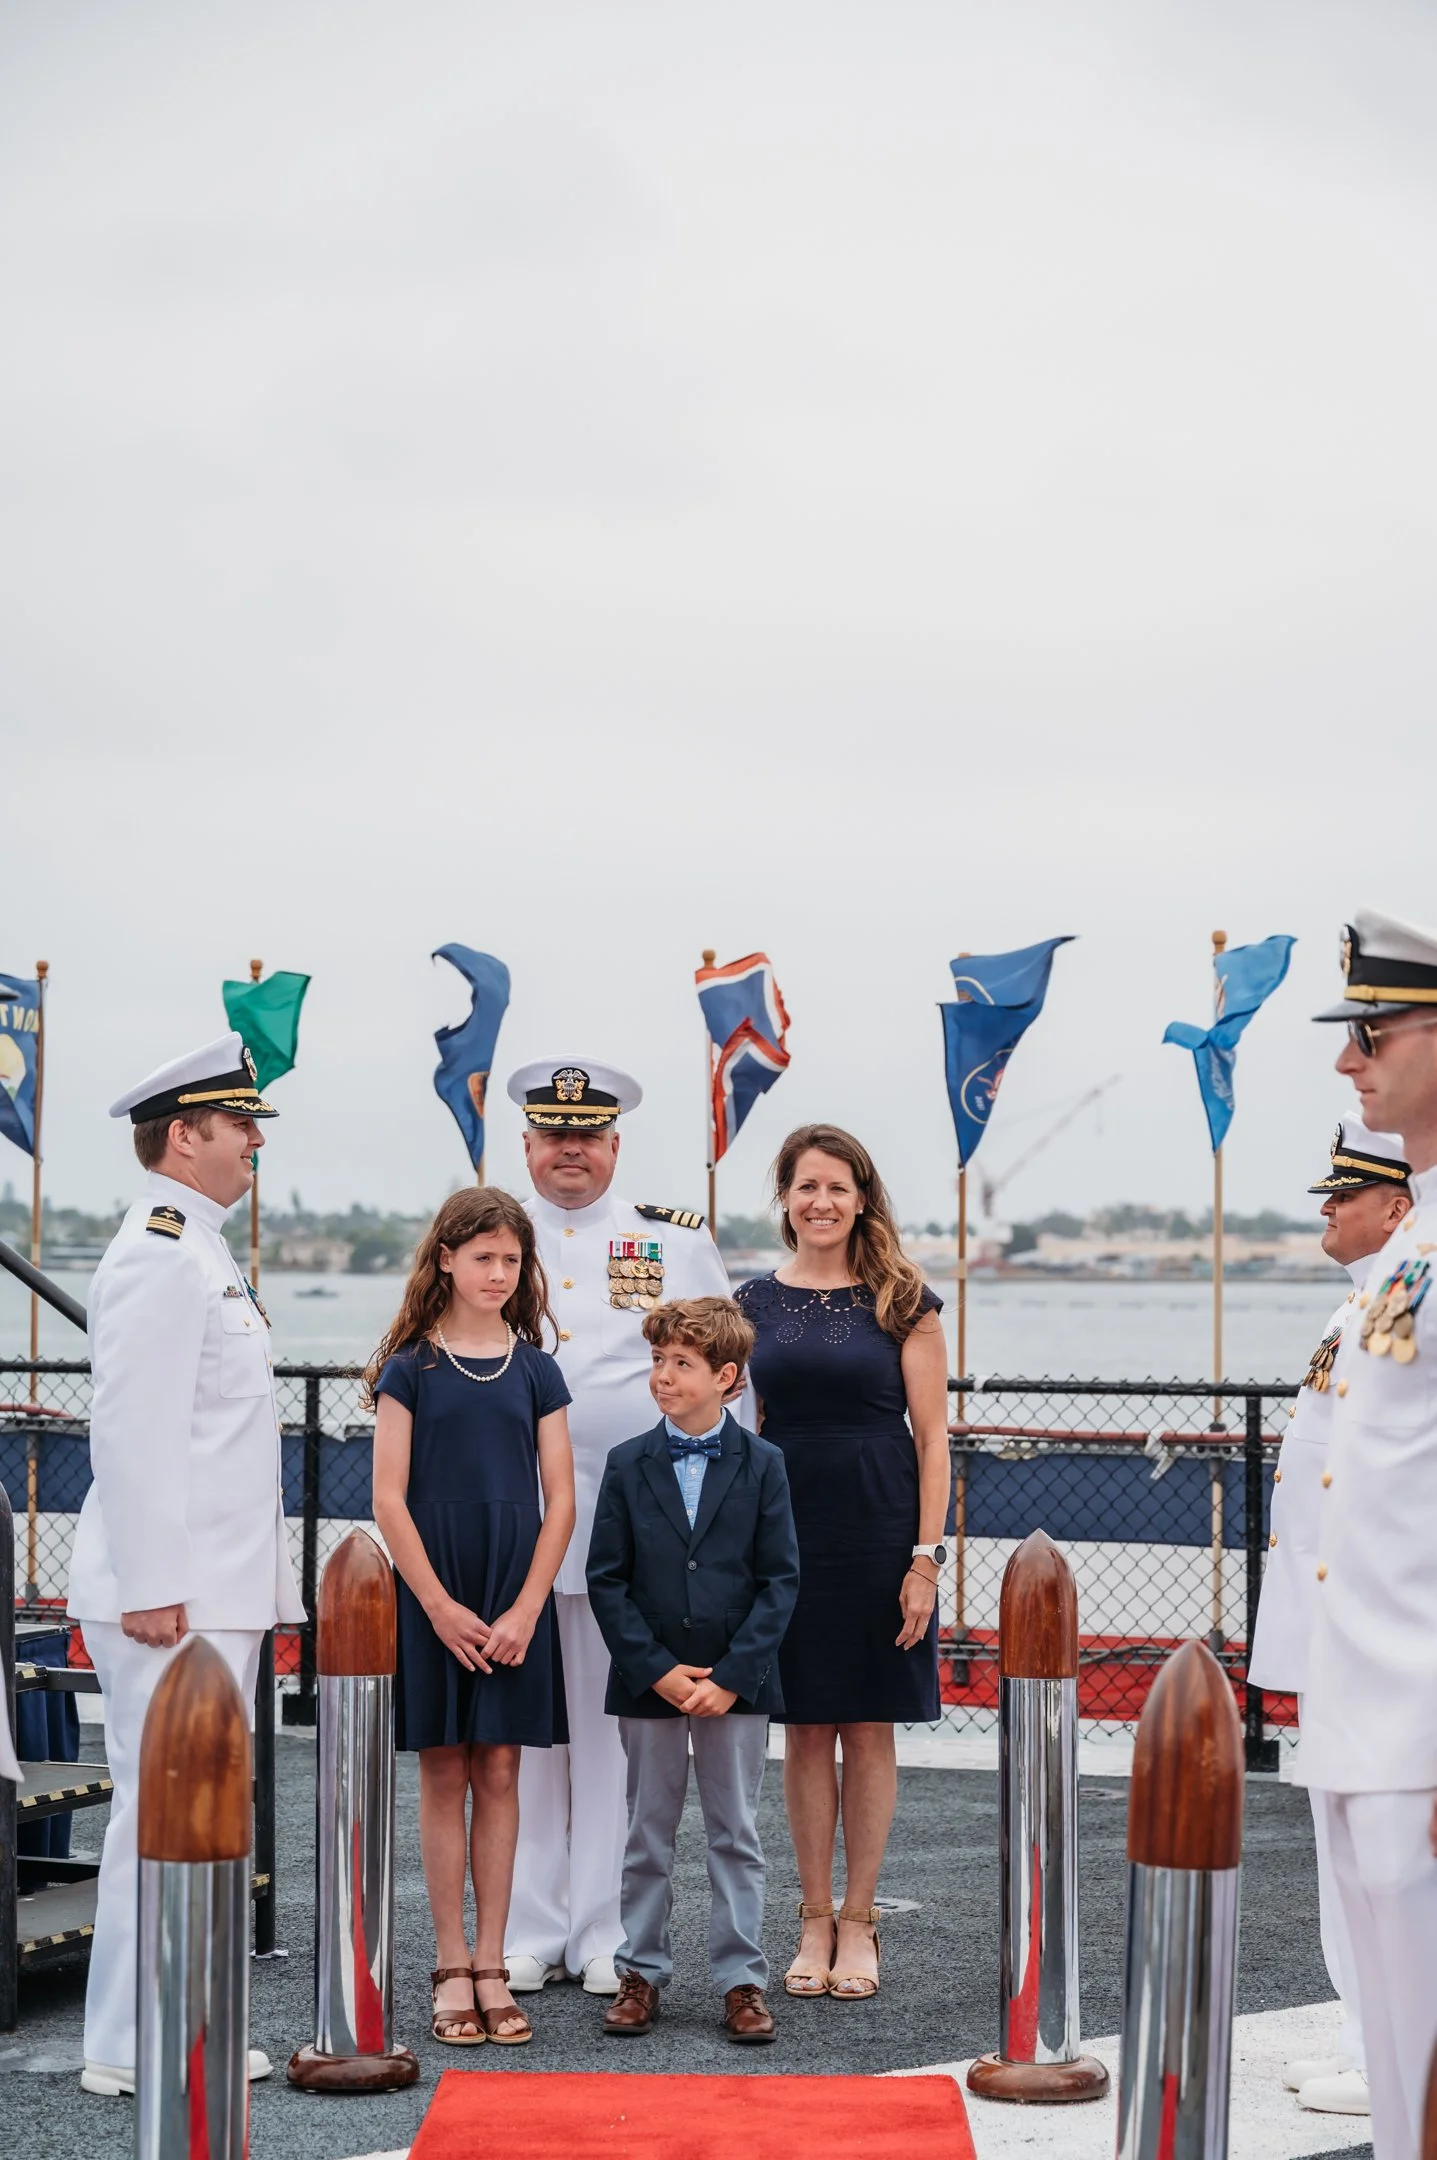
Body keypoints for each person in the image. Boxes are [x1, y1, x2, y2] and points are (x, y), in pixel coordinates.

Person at [67, 1033, 304, 2096]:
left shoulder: (199, 1248)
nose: (255, 1139)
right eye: (238, 1123)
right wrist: (156, 1583)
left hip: (213, 1591)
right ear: (183, 1137)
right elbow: (130, 1432)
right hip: (174, 1599)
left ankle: (181, 2016)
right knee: (160, 1811)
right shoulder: (161, 1253)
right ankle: (129, 2036)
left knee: (199, 1810)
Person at [503, 1059, 745, 1996]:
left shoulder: (670, 1242)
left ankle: (602, 1929)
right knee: (527, 1736)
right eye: (553, 1134)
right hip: (517, 1520)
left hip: (637, 1523)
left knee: (613, 1738)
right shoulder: (492, 1238)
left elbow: (729, 1380)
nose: (570, 1148)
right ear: (527, 1145)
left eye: (587, 1134)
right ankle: (530, 1925)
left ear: (613, 1146)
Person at [733, 1123, 950, 2002]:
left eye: (836, 1186)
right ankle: (811, 1913)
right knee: (803, 1728)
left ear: (863, 1198)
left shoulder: (905, 1301)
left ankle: (858, 1921)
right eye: (805, 1186)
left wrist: (925, 1560)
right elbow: (737, 1427)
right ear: (784, 1198)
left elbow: (934, 1441)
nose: (820, 1202)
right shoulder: (749, 1302)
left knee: (866, 1725)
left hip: (878, 1525)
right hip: (784, 1531)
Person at [368, 1188, 575, 2046]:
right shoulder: (410, 1366)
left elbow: (560, 1499)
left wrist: (526, 1608)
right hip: (436, 1590)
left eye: (511, 1259)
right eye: (482, 1256)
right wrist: (438, 1606)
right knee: (444, 1771)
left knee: (500, 1772)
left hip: (512, 1589)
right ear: (445, 1259)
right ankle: (451, 1962)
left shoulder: (537, 1368)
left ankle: (495, 1960)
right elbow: (386, 1496)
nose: (498, 1272)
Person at [1300, 907, 1437, 2160]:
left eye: (1375, 1031)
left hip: (1425, 1725)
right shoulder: (1412, 1251)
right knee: (1403, 2075)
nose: (1351, 1061)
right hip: (1368, 1716)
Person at [1248, 1115, 1412, 2122]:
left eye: (1344, 1195)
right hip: (1330, 1624)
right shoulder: (1354, 1308)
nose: (1327, 1208)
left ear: (1394, 1206)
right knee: (1343, 1850)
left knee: (1388, 1860)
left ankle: (1387, 2047)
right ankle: (1365, 2034)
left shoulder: (1400, 1294)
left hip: (1375, 1628)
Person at [586, 1296, 799, 2043]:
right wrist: (659, 1671)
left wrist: (732, 1675)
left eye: (680, 1364)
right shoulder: (625, 1464)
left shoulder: (765, 1464)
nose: (662, 1376)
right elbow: (606, 1579)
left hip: (737, 1685)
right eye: (657, 1361)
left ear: (727, 1377)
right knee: (647, 1830)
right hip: (649, 1684)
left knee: (734, 1831)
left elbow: (780, 1580)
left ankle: (741, 1980)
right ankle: (639, 1970)